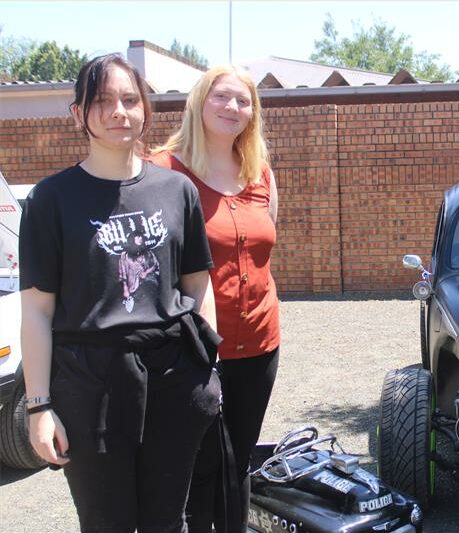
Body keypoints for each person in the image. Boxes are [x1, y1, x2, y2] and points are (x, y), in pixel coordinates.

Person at [20, 54, 221, 533]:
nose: (119, 111)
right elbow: (36, 311)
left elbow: (196, 284)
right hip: (91, 387)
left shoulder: (177, 190)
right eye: (103, 100)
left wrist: (208, 369)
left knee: (167, 520)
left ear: (145, 109)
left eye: (130, 99)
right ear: (77, 114)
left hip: (174, 380)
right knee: (105, 522)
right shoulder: (51, 199)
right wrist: (39, 407)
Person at [150, 65, 280, 533]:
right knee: (200, 464)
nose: (233, 108)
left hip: (260, 343)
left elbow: (262, 254)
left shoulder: (259, 171)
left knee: (238, 460)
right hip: (195, 347)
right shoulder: (164, 171)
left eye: (244, 101)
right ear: (199, 102)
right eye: (222, 97)